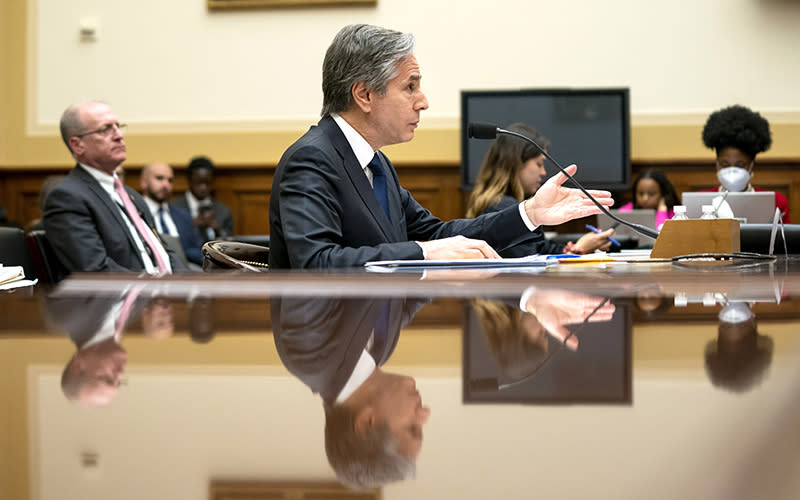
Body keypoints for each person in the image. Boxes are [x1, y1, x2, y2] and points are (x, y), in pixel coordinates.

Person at [269, 24, 614, 269]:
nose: (424, 102)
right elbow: (315, 262)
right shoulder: (312, 159)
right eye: (410, 87)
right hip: (330, 353)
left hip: (368, 344)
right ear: (364, 94)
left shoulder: (377, 164)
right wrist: (423, 252)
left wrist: (530, 213)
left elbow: (438, 233)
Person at [272, 296, 431, 488]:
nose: (425, 414)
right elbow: (414, 295)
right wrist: (439, 272)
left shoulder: (310, 357)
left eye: (412, 428)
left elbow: (314, 268)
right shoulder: (382, 351)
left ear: (366, 422)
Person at [43, 100, 185, 274]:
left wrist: (190, 285)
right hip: (127, 298)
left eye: (118, 126)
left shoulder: (131, 196)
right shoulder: (67, 198)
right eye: (105, 130)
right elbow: (95, 269)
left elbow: (163, 252)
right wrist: (156, 287)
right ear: (77, 145)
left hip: (166, 293)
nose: (119, 135)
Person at [466, 122, 616, 256]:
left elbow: (540, 248)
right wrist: (579, 248)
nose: (543, 172)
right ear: (516, 163)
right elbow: (528, 258)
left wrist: (572, 249)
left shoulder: (506, 203)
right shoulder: (501, 207)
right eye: (539, 164)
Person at [701, 104, 790, 223]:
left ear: (751, 165)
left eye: (740, 165)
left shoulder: (777, 203)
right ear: (717, 164)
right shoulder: (701, 201)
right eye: (725, 164)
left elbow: (785, 241)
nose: (732, 171)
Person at [139, 162, 204, 266]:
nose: (166, 185)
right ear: (144, 182)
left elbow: (195, 250)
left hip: (186, 275)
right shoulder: (134, 213)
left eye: (170, 180)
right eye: (159, 178)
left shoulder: (183, 216)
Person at [171, 155, 234, 242]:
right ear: (189, 181)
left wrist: (217, 230)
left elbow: (230, 245)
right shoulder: (174, 208)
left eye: (207, 183)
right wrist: (190, 226)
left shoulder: (223, 211)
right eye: (199, 183)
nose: (203, 188)